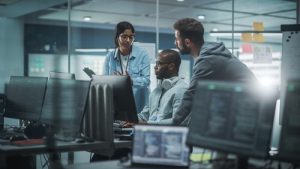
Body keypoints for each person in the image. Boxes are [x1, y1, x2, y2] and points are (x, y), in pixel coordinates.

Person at [172, 18, 258, 125]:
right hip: (243, 108)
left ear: (187, 42)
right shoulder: (211, 54)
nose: (175, 42)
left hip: (248, 113)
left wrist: (173, 125)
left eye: (176, 39)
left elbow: (191, 96)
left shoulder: (208, 60)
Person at [103, 21, 150, 113]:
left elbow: (146, 80)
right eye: (124, 36)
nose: (128, 40)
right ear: (117, 37)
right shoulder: (110, 57)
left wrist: (131, 81)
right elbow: (105, 81)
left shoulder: (142, 54)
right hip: (117, 104)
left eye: (131, 37)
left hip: (139, 106)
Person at [138, 49, 188, 124]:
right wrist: (128, 119)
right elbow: (144, 116)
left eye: (159, 64)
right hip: (151, 134)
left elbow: (178, 122)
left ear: (171, 66)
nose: (155, 67)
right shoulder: (156, 91)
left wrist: (148, 124)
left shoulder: (181, 90)